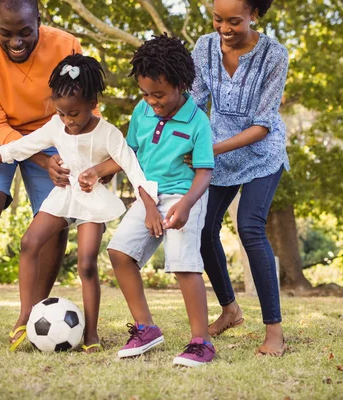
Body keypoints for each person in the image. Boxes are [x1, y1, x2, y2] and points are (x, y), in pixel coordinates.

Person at [0, 54, 158, 352]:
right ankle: (25, 316)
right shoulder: (56, 126)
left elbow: (132, 167)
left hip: (93, 203)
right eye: (62, 113)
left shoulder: (108, 133)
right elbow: (19, 146)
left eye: (75, 114)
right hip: (64, 196)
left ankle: (91, 334)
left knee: (87, 265)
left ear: (93, 102)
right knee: (29, 242)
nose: (68, 121)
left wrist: (150, 206)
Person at [0, 0, 100, 352]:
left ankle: (29, 318)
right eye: (6, 33)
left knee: (56, 213)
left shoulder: (65, 45)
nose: (16, 41)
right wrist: (40, 156)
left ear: (39, 22)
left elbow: (85, 102)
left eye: (25, 33)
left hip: (54, 130)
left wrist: (74, 155)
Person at [80, 34, 216, 367]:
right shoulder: (141, 112)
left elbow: (204, 172)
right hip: (148, 193)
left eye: (159, 95)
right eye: (145, 94)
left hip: (186, 195)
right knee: (119, 252)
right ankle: (146, 328)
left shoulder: (197, 120)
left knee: (182, 261)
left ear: (181, 85)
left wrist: (184, 206)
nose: (152, 102)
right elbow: (133, 159)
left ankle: (202, 341)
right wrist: (99, 170)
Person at [190, 0, 290, 356]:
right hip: (218, 151)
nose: (224, 29)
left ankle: (274, 330)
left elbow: (263, 124)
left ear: (254, 15)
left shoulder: (274, 56)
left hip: (262, 153)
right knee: (203, 228)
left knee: (250, 227)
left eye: (234, 21)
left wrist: (209, 151)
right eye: (218, 19)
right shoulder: (203, 47)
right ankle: (230, 309)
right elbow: (193, 100)